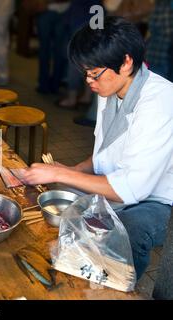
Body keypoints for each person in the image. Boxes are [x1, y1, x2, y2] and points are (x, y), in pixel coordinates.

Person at [21, 17, 173, 280]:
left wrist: (61, 175)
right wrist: (72, 170)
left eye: (94, 73)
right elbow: (105, 152)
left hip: (156, 201)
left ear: (125, 63)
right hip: (115, 185)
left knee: (127, 232)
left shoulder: (159, 102)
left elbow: (132, 188)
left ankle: (117, 288)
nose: (89, 81)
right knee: (57, 204)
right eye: (85, 73)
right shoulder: (111, 89)